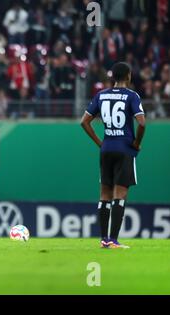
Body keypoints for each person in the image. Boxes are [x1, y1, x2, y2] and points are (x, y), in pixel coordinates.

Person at [80, 62, 146, 249]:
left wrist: (100, 142)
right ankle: (114, 240)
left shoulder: (101, 95)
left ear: (113, 77)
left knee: (104, 194)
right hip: (124, 149)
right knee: (120, 194)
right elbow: (141, 123)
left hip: (107, 148)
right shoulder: (132, 96)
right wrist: (137, 143)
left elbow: (84, 122)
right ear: (128, 76)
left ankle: (104, 239)